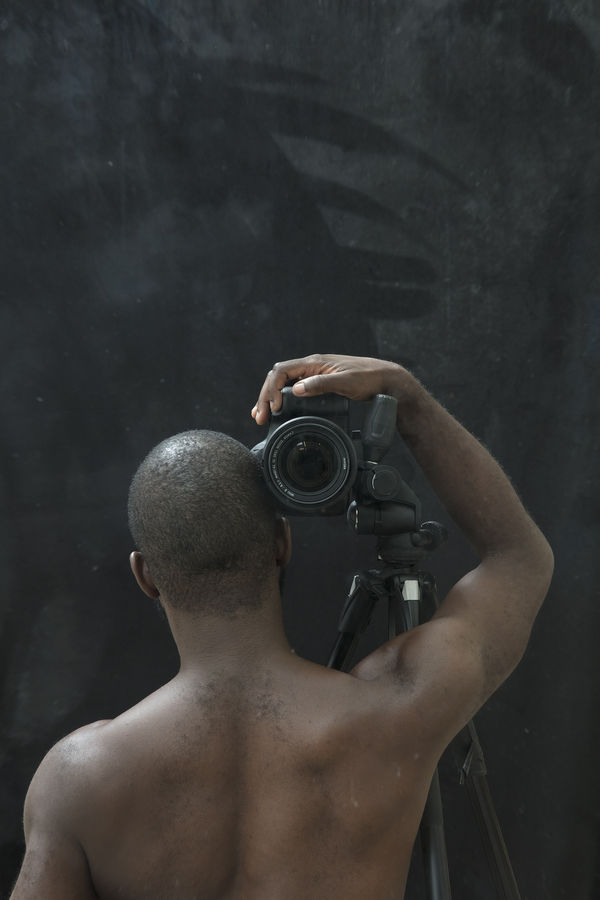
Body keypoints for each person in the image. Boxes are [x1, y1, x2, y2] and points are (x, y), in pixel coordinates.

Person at [10, 353, 553, 900]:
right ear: (282, 545)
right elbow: (519, 560)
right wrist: (405, 396)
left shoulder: (76, 779)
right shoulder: (396, 708)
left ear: (146, 576)